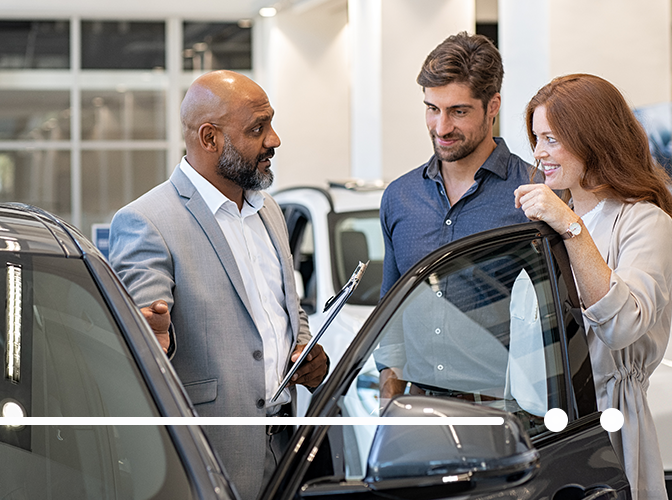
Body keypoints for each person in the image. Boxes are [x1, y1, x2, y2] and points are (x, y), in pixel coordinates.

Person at [109, 70, 329, 500]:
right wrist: (153, 336)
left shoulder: (269, 213)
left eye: (270, 123)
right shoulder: (147, 221)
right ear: (210, 138)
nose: (274, 140)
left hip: (285, 449)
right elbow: (145, 342)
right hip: (209, 456)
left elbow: (287, 308)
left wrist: (304, 349)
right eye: (257, 129)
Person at [514, 73, 672, 500]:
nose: (540, 155)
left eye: (552, 139)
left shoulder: (642, 222)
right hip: (539, 432)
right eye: (537, 139)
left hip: (604, 431)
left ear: (592, 138)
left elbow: (620, 324)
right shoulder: (550, 226)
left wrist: (570, 226)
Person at [375, 32, 535, 403]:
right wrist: (390, 404)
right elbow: (391, 313)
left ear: (492, 105)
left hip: (506, 412)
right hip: (419, 408)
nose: (441, 127)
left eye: (458, 111)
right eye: (433, 109)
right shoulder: (400, 198)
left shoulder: (535, 193)